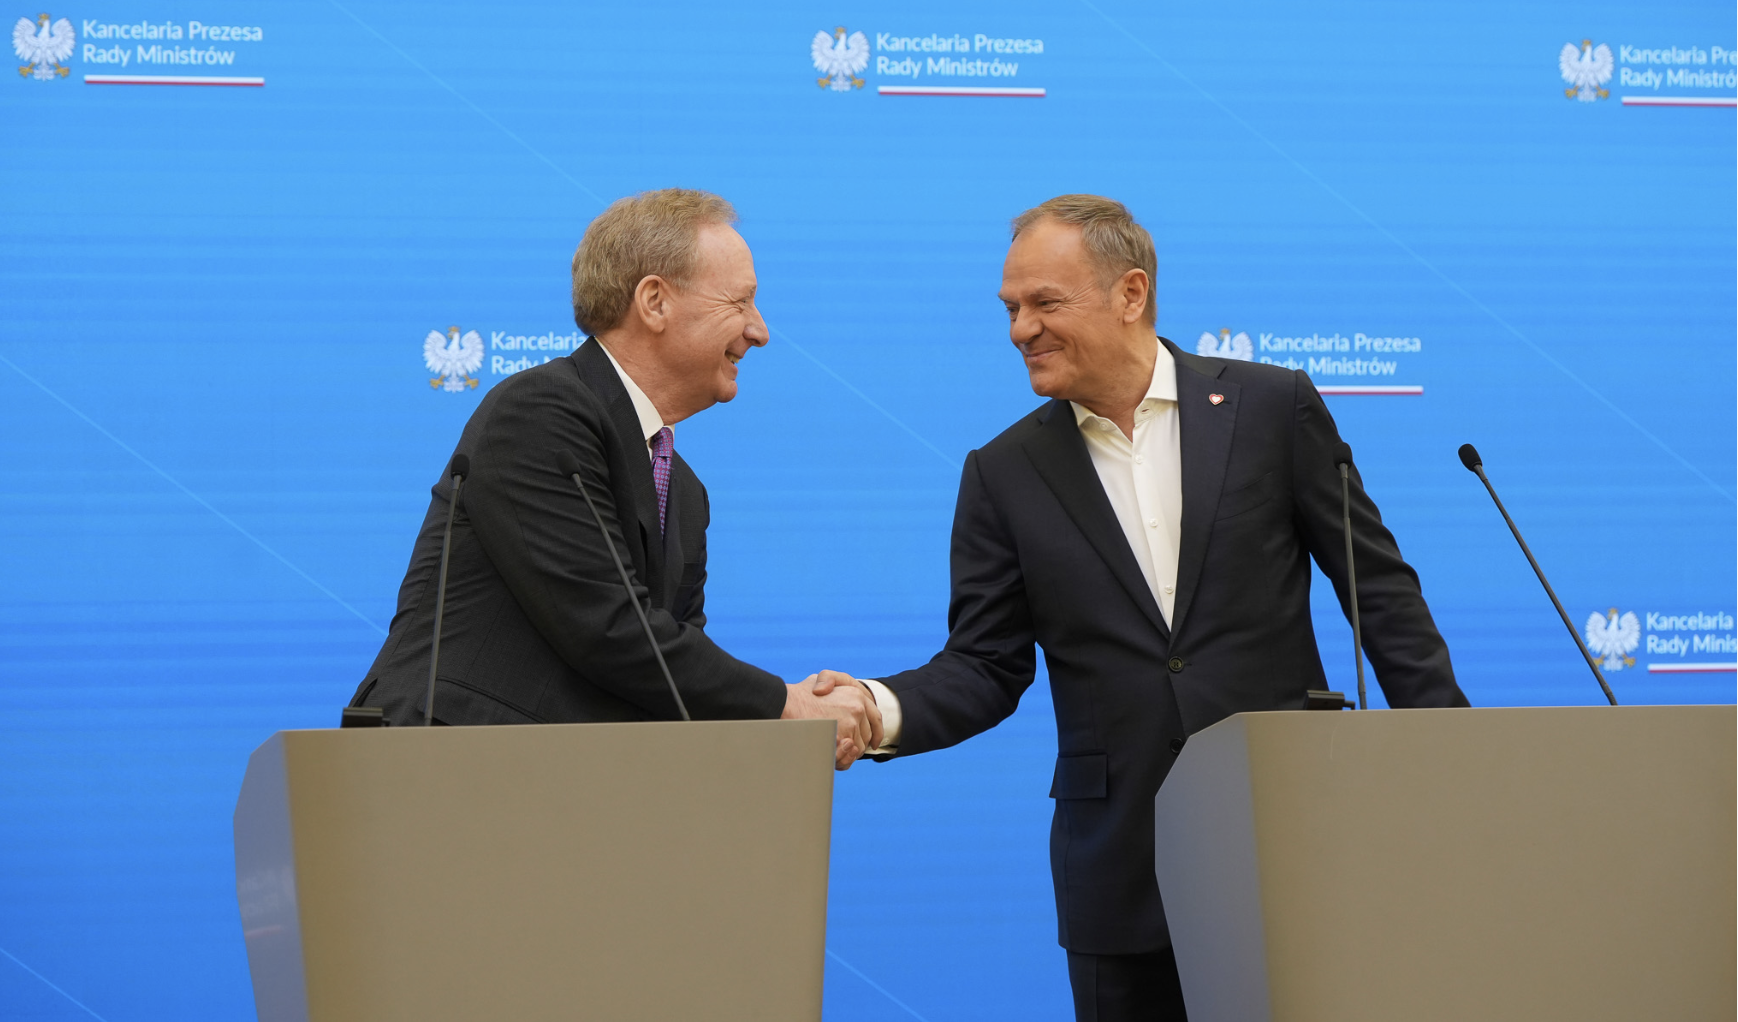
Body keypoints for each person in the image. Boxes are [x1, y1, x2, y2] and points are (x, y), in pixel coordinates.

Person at [833, 195, 1468, 1020]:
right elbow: (985, 666)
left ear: (1130, 293)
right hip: (1121, 874)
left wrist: (1455, 764)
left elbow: (1377, 591)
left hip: (1292, 842)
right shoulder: (1002, 472)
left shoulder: (1273, 408)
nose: (1021, 329)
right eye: (1011, 308)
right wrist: (874, 708)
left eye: (1044, 303)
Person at [351, 188, 880, 766]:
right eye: (741, 302)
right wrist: (785, 704)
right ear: (654, 301)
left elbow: (672, 679)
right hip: (442, 769)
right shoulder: (541, 411)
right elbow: (606, 625)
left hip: (573, 787)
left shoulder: (684, 492)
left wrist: (796, 726)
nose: (760, 331)